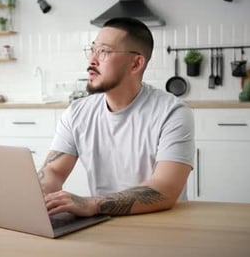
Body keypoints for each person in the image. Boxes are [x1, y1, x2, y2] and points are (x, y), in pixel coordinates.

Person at [38, 17, 195, 217]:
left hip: (162, 225)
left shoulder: (173, 112)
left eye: (104, 51)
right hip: (102, 223)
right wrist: (40, 197)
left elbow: (165, 188)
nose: (91, 60)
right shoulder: (76, 113)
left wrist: (91, 204)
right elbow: (53, 171)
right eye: (92, 50)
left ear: (136, 63)